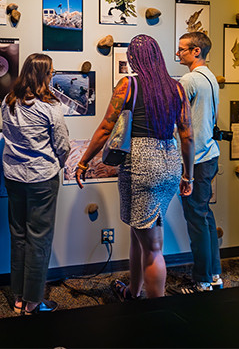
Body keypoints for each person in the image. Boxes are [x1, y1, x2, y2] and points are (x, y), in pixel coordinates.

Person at [75, 34, 194, 299]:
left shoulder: (128, 85)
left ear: (133, 58)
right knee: (140, 232)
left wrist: (84, 162)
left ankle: (155, 311)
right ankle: (133, 291)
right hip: (169, 162)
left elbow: (107, 127)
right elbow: (187, 134)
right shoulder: (176, 88)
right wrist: (189, 175)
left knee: (153, 248)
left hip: (141, 164)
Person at [1, 53, 70, 314]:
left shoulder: (8, 102)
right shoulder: (50, 107)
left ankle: (18, 297)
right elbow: (62, 145)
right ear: (43, 74)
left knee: (18, 236)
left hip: (14, 177)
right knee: (39, 239)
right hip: (42, 178)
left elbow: (8, 136)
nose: (53, 74)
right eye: (51, 71)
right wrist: (60, 163)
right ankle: (33, 301)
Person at [177, 31, 222, 293]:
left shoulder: (190, 79)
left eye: (182, 49)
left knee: (196, 219)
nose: (178, 53)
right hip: (210, 154)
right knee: (204, 217)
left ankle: (202, 281)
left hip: (196, 158)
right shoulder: (211, 78)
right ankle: (212, 275)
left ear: (196, 51)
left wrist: (186, 171)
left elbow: (178, 118)